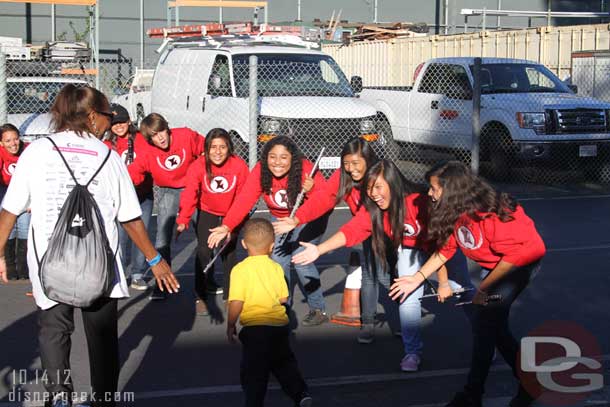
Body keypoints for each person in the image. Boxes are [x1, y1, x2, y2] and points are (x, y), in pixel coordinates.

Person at [0, 85, 180, 407]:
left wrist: (0, 252)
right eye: (109, 115)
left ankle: (60, 398)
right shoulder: (108, 156)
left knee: (54, 333)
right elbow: (130, 218)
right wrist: (155, 261)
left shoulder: (37, 152)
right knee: (102, 342)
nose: (110, 122)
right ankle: (103, 400)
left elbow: (9, 211)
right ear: (92, 116)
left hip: (48, 263)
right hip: (101, 265)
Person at [389, 161, 545, 407]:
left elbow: (514, 258)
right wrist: (416, 278)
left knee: (486, 323)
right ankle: (526, 385)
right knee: (493, 329)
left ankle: (474, 394)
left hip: (519, 265)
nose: (429, 193)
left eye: (433, 188)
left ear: (452, 190)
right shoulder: (455, 212)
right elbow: (446, 250)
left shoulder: (495, 214)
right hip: (498, 266)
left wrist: (483, 291)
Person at [293, 159, 473, 372]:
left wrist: (443, 281)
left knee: (467, 294)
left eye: (378, 187)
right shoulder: (374, 210)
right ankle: (412, 352)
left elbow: (442, 246)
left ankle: (489, 341)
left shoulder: (420, 202)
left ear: (392, 184)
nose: (373, 194)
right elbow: (351, 230)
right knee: (406, 294)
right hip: (412, 250)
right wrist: (318, 249)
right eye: (369, 189)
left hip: (443, 249)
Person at [275, 137, 398, 343]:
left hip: (395, 230)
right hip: (366, 228)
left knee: (396, 275)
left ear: (368, 159)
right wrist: (296, 219)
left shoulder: (381, 176)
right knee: (370, 273)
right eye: (347, 163)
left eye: (356, 163)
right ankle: (368, 323)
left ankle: (404, 322)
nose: (351, 169)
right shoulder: (343, 176)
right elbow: (324, 198)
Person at [209, 135, 329, 326]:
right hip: (281, 219)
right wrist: (227, 225)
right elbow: (244, 200)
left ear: (293, 159)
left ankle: (318, 308)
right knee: (278, 260)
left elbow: (325, 199)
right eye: (272, 157)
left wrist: (312, 190)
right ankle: (283, 306)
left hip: (308, 217)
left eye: (283, 157)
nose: (277, 163)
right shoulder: (260, 171)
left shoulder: (306, 169)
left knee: (300, 260)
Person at [227, 218, 312, 407]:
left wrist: (231, 325)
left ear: (243, 244)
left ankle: (254, 402)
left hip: (254, 329)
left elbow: (236, 302)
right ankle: (300, 394)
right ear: (272, 246)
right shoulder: (276, 268)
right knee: (285, 363)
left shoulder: (239, 270)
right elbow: (283, 298)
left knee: (254, 371)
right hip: (278, 326)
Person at [128, 112, 205, 300]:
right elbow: (132, 175)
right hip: (166, 191)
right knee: (162, 239)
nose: (160, 137)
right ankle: (163, 285)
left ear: (167, 128)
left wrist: (201, 174)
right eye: (154, 135)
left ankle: (204, 285)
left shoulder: (185, 136)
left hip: (192, 189)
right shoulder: (147, 152)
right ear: (149, 139)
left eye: (161, 131)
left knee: (203, 236)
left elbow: (207, 149)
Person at [176, 128, 250, 315]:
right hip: (207, 211)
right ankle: (200, 295)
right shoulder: (198, 165)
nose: (217, 151)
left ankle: (230, 294)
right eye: (213, 147)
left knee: (229, 252)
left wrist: (232, 224)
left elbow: (243, 197)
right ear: (206, 148)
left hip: (231, 213)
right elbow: (190, 193)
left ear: (229, 148)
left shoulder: (239, 166)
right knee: (203, 250)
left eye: (222, 147)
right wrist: (184, 218)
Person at [104, 104, 154, 290]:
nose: (119, 126)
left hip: (142, 194)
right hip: (120, 197)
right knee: (120, 235)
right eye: (114, 123)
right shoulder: (108, 144)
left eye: (122, 122)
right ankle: (118, 271)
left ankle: (138, 273)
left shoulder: (141, 139)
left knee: (142, 232)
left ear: (128, 121)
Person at [0, 123, 30, 280]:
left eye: (16, 139)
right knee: (9, 228)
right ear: (1, 143)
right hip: (5, 190)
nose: (13, 144)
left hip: (24, 191)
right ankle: (10, 267)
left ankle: (24, 268)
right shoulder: (0, 153)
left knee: (24, 227)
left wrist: (32, 200)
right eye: (8, 141)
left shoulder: (27, 151)